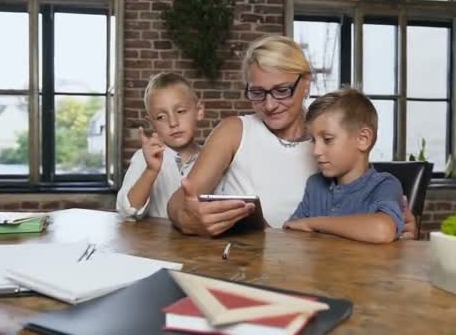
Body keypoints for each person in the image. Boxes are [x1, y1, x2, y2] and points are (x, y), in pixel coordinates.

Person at [167, 35, 418, 239]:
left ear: (306, 82)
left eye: (282, 90)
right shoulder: (234, 131)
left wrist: (399, 229)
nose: (270, 104)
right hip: (248, 264)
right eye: (257, 92)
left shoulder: (335, 139)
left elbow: (368, 202)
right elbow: (179, 202)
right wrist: (189, 219)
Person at [282, 88, 403, 243]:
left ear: (363, 139)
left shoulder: (384, 184)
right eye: (313, 140)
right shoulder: (315, 185)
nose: (316, 151)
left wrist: (313, 223)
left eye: (327, 139)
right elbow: (292, 229)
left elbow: (382, 230)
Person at [116, 73, 204, 220]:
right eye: (161, 117)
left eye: (180, 111)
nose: (173, 122)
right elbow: (126, 211)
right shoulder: (144, 159)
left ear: (199, 111)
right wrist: (151, 170)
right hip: (158, 242)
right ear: (151, 123)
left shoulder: (213, 157)